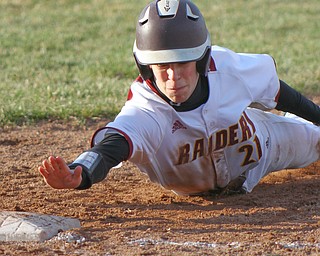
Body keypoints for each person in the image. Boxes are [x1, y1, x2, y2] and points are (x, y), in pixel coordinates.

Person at [38, 0, 320, 196]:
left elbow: (282, 95)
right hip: (195, 186)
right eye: (162, 66)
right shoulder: (147, 110)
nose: (173, 77)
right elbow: (110, 148)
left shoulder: (228, 70)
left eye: (182, 63)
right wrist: (80, 172)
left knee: (316, 140)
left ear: (200, 59)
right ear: (146, 66)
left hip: (263, 147)